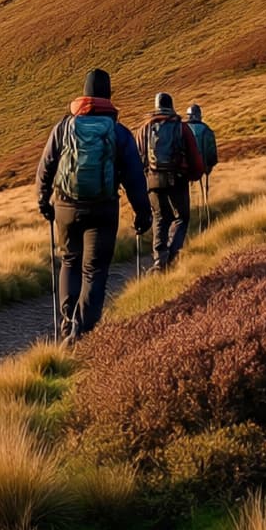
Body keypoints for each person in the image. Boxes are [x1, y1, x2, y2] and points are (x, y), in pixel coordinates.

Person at [35, 68, 151, 344]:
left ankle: (66, 323)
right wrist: (143, 212)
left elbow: (46, 166)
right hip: (103, 208)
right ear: (108, 96)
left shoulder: (64, 127)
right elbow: (134, 176)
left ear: (83, 94)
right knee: (95, 269)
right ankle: (83, 331)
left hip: (66, 206)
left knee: (70, 260)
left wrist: (43, 200)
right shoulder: (119, 132)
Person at [136, 93, 205, 271]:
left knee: (160, 217)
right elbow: (195, 159)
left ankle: (160, 261)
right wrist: (194, 175)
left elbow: (136, 158)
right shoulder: (181, 128)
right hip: (177, 179)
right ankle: (173, 256)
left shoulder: (144, 129)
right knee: (182, 217)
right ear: (171, 106)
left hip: (152, 181)